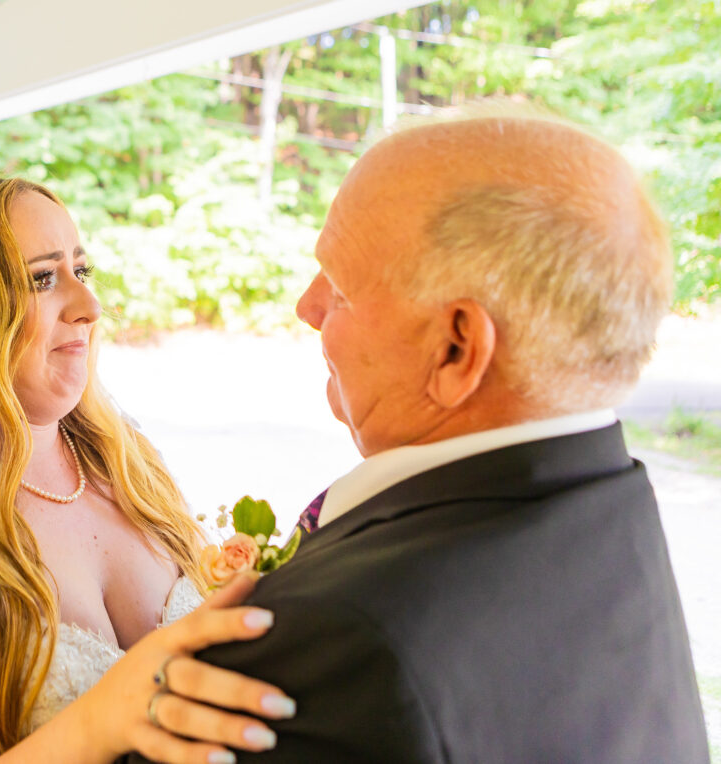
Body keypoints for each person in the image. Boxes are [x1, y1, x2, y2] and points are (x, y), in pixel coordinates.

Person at [133, 107, 710, 761]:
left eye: (342, 290)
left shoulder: (344, 642)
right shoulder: (610, 504)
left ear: (457, 348)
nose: (307, 307)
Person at [0, 178, 296, 764]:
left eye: (80, 272)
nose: (90, 309)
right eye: (42, 278)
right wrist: (92, 727)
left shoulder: (132, 467)